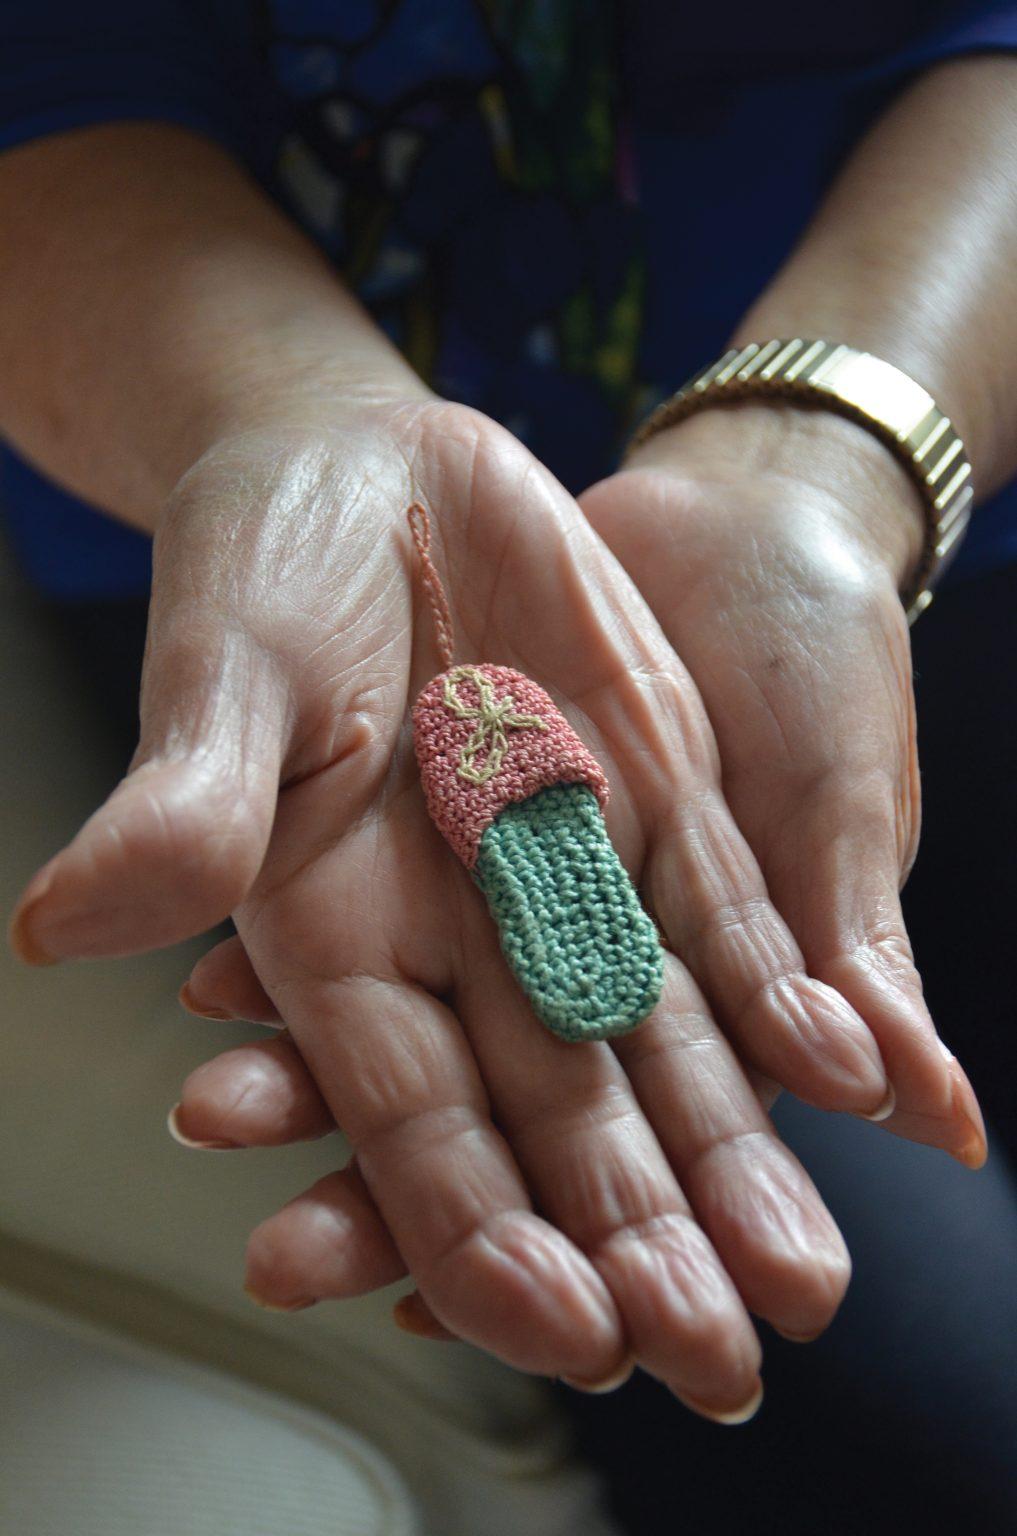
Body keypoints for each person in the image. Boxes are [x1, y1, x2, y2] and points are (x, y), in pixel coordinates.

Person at [2, 3, 1016, 1527]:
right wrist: (290, 420)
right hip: (266, 589)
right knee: (928, 1447)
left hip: (928, 465)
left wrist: (822, 455)